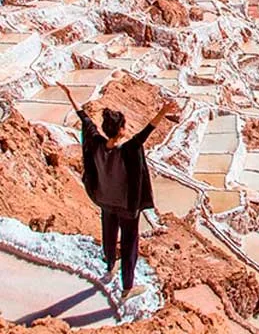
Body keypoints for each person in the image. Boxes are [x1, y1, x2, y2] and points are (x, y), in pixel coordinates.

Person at [56, 82, 177, 301]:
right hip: (126, 206)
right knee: (130, 244)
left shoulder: (96, 143)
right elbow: (147, 130)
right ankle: (127, 288)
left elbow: (84, 118)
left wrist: (70, 95)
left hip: (105, 201)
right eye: (124, 126)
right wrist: (164, 111)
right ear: (121, 130)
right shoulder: (128, 149)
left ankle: (110, 266)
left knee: (109, 235)